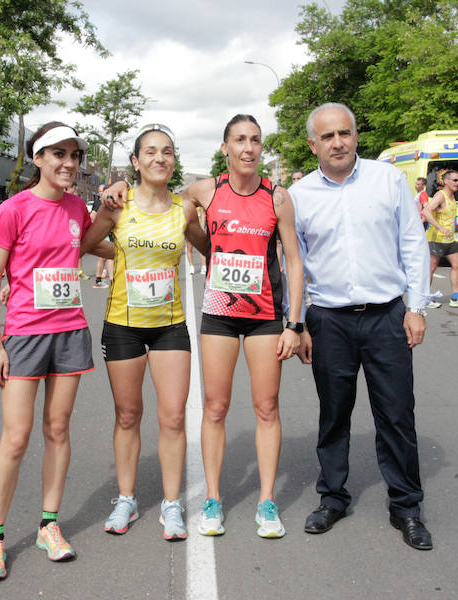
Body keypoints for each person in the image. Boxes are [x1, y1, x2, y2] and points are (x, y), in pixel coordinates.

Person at [291, 103, 433, 551]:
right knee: (334, 415)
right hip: (328, 320)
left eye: (345, 133)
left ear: (355, 135)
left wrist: (417, 306)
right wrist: (298, 323)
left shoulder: (387, 180)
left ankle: (406, 507)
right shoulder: (299, 195)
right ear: (313, 144)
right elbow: (294, 264)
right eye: (327, 136)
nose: (338, 142)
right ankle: (332, 497)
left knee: (396, 414)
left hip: (386, 316)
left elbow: (413, 242)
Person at [0, 122, 107, 579]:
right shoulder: (14, 209)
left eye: (74, 155)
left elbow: (95, 246)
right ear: (38, 158)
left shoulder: (76, 207)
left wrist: (144, 248)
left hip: (70, 331)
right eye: (59, 154)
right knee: (16, 437)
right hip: (25, 334)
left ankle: (48, 526)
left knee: (57, 428)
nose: (68, 163)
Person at [80, 124, 206, 541]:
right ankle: (127, 499)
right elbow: (84, 244)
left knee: (173, 416)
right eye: (150, 152)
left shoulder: (184, 209)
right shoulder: (117, 205)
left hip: (169, 325)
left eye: (166, 151)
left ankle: (171, 504)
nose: (159, 158)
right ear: (135, 161)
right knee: (128, 414)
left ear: (174, 160)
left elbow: (212, 248)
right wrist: (121, 251)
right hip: (123, 325)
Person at [185, 115, 303, 539]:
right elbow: (170, 209)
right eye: (239, 140)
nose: (248, 148)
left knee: (266, 407)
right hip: (219, 311)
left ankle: (267, 502)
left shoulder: (277, 197)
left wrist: (295, 323)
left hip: (265, 316)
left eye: (255, 140)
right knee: (215, 407)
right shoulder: (206, 190)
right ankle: (213, 499)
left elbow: (294, 261)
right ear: (225, 148)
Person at [423, 170, 458, 309]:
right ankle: (424, 297)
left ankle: (456, 297)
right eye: (455, 180)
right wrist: (440, 227)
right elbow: (426, 211)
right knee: (431, 268)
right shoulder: (441, 195)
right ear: (446, 181)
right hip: (436, 238)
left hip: (449, 239)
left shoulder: (452, 196)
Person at [90, 185, 115, 288]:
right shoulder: (100, 202)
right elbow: (92, 216)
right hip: (103, 233)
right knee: (105, 257)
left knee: (108, 257)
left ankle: (101, 280)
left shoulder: (111, 202)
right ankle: (103, 280)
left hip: (110, 232)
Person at [184, 205, 207, 275]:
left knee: (202, 248)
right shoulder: (188, 205)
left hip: (199, 229)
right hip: (190, 229)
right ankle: (191, 267)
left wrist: (203, 227)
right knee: (189, 248)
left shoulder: (199, 205)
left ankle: (204, 266)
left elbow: (203, 215)